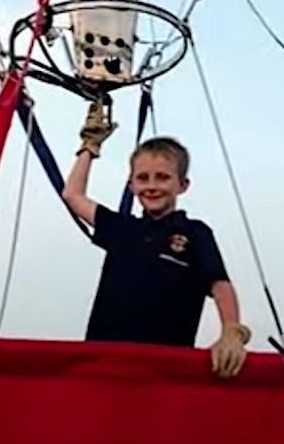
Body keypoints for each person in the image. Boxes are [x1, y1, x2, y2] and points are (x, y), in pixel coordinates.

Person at [61, 98, 251, 378]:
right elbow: (72, 195)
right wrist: (90, 147)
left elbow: (219, 285)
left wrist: (231, 331)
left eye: (162, 177)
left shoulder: (195, 233)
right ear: (132, 184)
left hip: (165, 373)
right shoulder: (121, 229)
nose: (152, 186)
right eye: (143, 178)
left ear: (182, 184)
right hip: (104, 366)